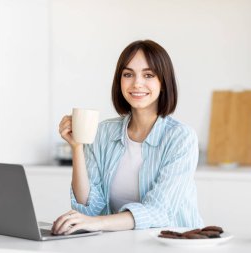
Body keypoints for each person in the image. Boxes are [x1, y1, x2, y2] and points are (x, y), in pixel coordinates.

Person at [52, 40, 203, 235]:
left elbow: (159, 211)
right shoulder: (103, 133)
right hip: (121, 244)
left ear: (163, 83)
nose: (137, 83)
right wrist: (77, 147)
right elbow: (88, 207)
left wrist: (97, 223)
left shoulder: (181, 138)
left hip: (174, 244)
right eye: (128, 74)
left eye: (148, 75)